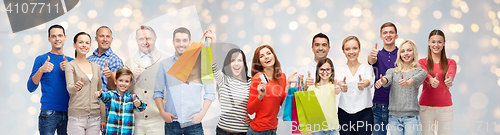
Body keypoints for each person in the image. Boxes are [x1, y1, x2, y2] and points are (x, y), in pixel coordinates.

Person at [153, 27, 216, 135]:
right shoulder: (164, 64)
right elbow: (157, 92)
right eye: (178, 40)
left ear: (190, 42)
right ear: (173, 42)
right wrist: (162, 113)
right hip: (172, 124)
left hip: (194, 124)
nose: (181, 44)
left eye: (184, 40)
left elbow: (210, 93)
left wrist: (202, 114)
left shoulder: (203, 63)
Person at [27, 24, 74, 135]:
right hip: (49, 112)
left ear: (65, 37)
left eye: (60, 35)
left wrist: (70, 70)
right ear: (49, 39)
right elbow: (30, 87)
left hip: (70, 112)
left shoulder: (72, 62)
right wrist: (41, 70)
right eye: (53, 36)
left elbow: (79, 87)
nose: (57, 39)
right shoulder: (41, 59)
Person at [374, 40, 426, 135]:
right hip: (394, 118)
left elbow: (416, 79)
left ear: (414, 52)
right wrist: (382, 81)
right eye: (402, 51)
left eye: (409, 50)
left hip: (411, 118)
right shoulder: (393, 71)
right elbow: (387, 78)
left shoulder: (420, 72)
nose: (406, 53)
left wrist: (408, 82)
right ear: (399, 54)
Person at [124, 25, 168, 135]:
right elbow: (124, 92)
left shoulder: (167, 60)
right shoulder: (129, 63)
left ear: (155, 39)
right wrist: (132, 78)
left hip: (159, 120)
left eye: (148, 38)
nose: (145, 42)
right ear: (137, 41)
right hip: (136, 120)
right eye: (141, 39)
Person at [247, 45, 297, 135]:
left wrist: (288, 84)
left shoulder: (282, 77)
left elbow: (283, 104)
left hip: (273, 130)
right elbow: (250, 110)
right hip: (257, 131)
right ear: (259, 62)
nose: (266, 57)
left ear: (273, 55)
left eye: (268, 53)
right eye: (261, 56)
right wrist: (260, 96)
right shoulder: (258, 78)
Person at [65, 32, 106, 135]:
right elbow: (69, 88)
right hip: (76, 117)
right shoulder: (70, 65)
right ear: (74, 45)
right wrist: (75, 87)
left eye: (87, 43)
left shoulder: (96, 66)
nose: (84, 45)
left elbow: (100, 93)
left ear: (90, 46)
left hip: (95, 118)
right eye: (80, 42)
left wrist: (103, 118)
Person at [418, 29, 456, 135]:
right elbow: (424, 73)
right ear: (429, 43)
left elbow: (451, 72)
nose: (436, 45)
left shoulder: (451, 62)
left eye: (439, 42)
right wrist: (430, 79)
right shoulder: (422, 62)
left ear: (444, 44)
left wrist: (450, 79)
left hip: (445, 109)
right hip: (425, 108)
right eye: (433, 42)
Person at [335, 36, 374, 135]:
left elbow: (368, 80)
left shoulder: (367, 68)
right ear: (343, 51)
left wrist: (363, 84)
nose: (351, 52)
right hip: (344, 113)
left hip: (365, 112)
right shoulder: (339, 69)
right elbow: (339, 80)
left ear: (359, 49)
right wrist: (341, 85)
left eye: (354, 48)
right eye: (347, 49)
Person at [87, 26, 124, 130]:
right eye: (101, 36)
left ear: (111, 39)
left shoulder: (115, 60)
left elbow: (117, 88)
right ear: (96, 38)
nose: (104, 39)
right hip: (90, 108)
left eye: (108, 36)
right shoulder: (89, 59)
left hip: (108, 109)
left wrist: (110, 76)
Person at [368, 22, 399, 135]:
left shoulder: (402, 54)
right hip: (378, 106)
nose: (388, 35)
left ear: (396, 36)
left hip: (398, 106)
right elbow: (371, 60)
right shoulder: (376, 54)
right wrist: (371, 56)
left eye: (391, 32)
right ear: (381, 37)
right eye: (385, 33)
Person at [93, 68, 146, 135]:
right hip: (111, 132)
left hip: (126, 132)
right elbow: (104, 96)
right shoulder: (111, 95)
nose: (123, 84)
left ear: (130, 83)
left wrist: (139, 104)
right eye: (120, 80)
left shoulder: (132, 98)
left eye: (126, 81)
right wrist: (100, 95)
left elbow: (142, 107)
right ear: (115, 81)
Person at [212, 48, 252, 135]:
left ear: (244, 63)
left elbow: (261, 104)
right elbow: (212, 63)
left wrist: (255, 120)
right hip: (222, 131)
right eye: (233, 60)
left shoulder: (250, 82)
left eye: (239, 60)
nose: (236, 63)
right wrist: (213, 39)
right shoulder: (223, 79)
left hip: (242, 132)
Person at [306, 58, 341, 135]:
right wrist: (309, 130)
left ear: (332, 71)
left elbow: (336, 92)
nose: (324, 72)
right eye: (322, 69)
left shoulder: (333, 87)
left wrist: (337, 90)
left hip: (332, 128)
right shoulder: (311, 88)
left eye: (328, 69)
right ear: (318, 71)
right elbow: (309, 111)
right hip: (316, 128)